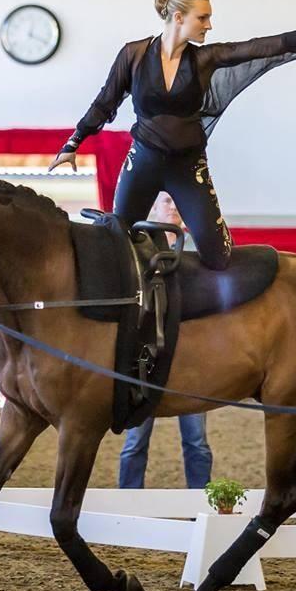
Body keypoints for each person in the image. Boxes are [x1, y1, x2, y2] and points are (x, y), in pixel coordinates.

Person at [49, 0, 296, 270]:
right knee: (115, 245)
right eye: (203, 18)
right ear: (179, 17)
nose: (209, 25)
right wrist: (73, 143)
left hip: (188, 167)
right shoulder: (134, 54)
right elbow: (106, 101)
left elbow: (255, 47)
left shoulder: (205, 58)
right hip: (143, 163)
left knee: (219, 257)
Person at [118, 192, 213, 489]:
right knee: (135, 439)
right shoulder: (138, 247)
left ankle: (200, 503)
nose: (174, 207)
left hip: (191, 357)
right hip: (146, 355)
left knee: (197, 441)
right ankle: (128, 503)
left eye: (177, 202)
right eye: (167, 202)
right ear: (155, 208)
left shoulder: (201, 247)